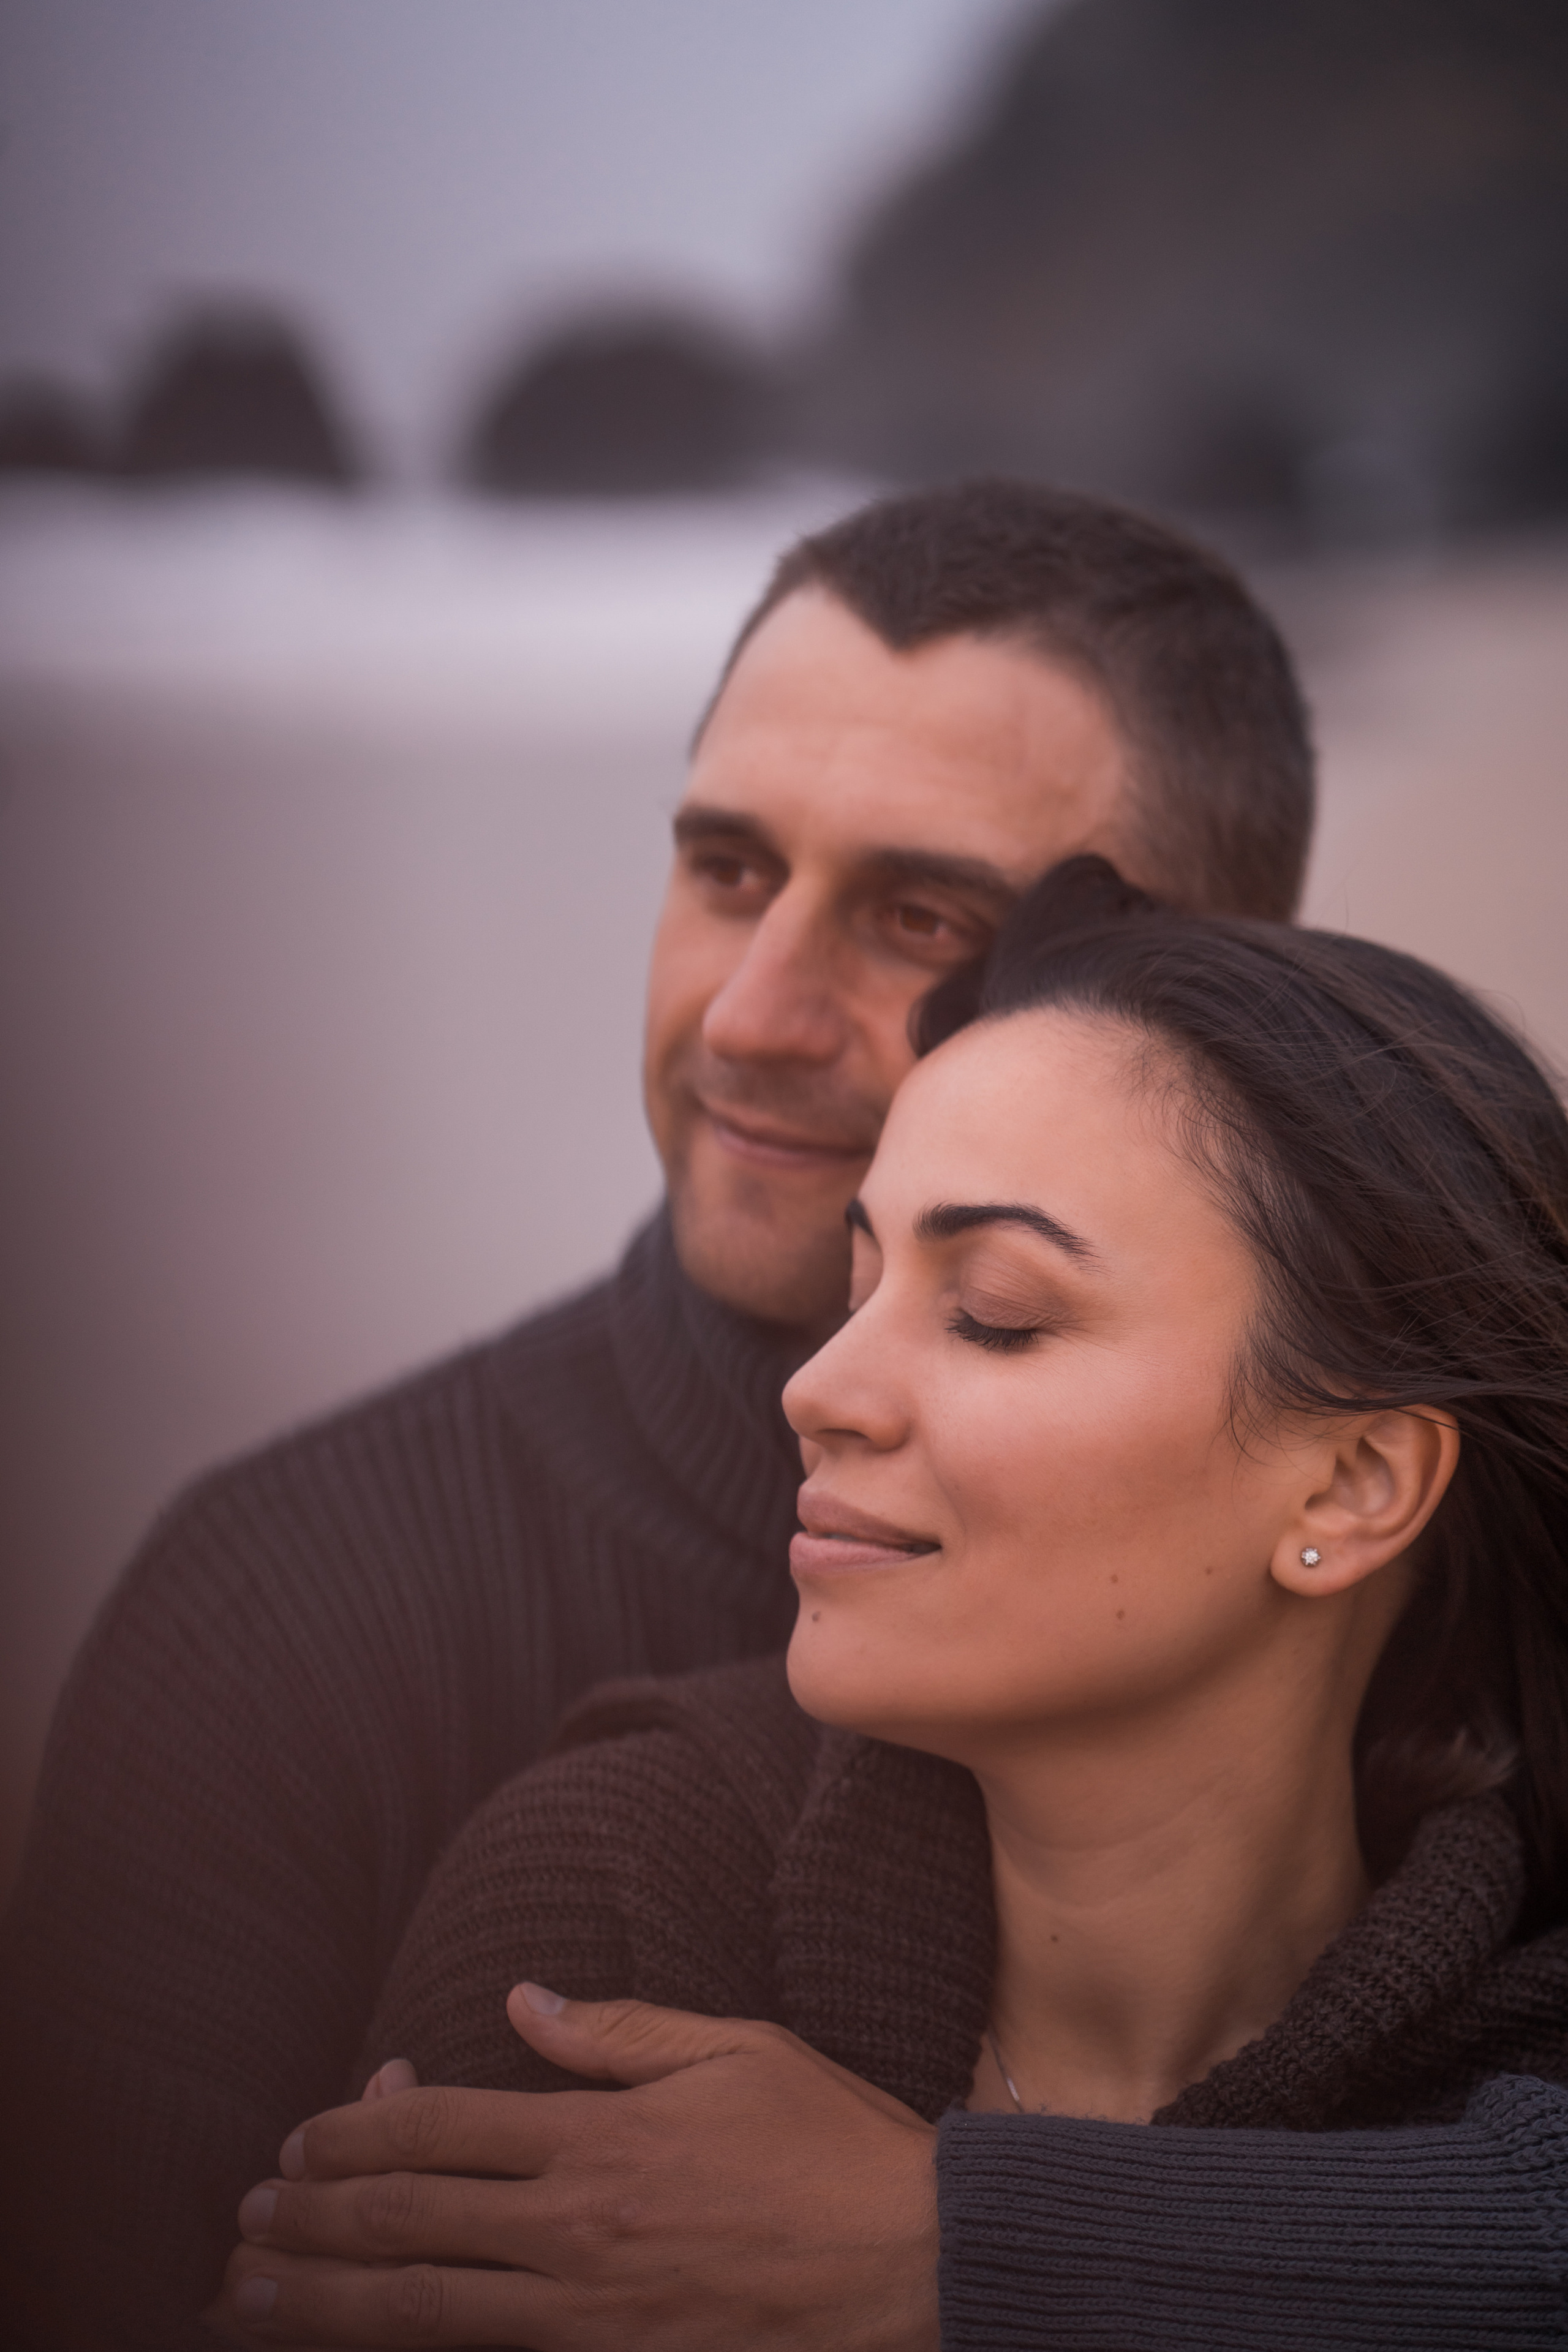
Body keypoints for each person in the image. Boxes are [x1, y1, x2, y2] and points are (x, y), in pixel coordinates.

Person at [2, 480, 1325, 2345]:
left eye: (917, 912)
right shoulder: (275, 1618)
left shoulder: (1419, 1569)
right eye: (725, 871)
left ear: (1210, 998)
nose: (753, 1015)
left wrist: (990, 2247)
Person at [216, 859, 1568, 2350]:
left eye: (991, 1315)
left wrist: (982, 2252)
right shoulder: (613, 1910)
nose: (816, 1390)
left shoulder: (1524, 2052)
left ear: (1352, 1484)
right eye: (851, 1289)